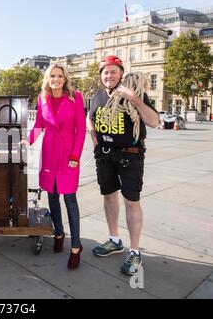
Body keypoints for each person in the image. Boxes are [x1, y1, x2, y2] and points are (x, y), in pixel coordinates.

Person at [86, 55, 159, 275]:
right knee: (109, 197)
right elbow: (90, 118)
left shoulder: (135, 94)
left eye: (113, 71)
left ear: (121, 73)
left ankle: (135, 251)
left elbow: (154, 122)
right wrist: (95, 140)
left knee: (131, 202)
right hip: (106, 156)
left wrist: (134, 99)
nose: (109, 75)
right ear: (101, 75)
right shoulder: (98, 96)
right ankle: (114, 239)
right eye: (105, 72)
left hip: (130, 156)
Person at [27, 63, 86, 269]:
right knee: (52, 195)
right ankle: (59, 232)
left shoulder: (75, 97)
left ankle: (76, 246)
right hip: (50, 152)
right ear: (48, 78)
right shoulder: (42, 98)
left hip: (68, 153)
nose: (56, 79)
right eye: (53, 76)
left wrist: (76, 155)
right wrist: (27, 141)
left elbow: (81, 128)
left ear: (65, 78)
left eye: (60, 76)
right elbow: (39, 126)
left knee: (70, 198)